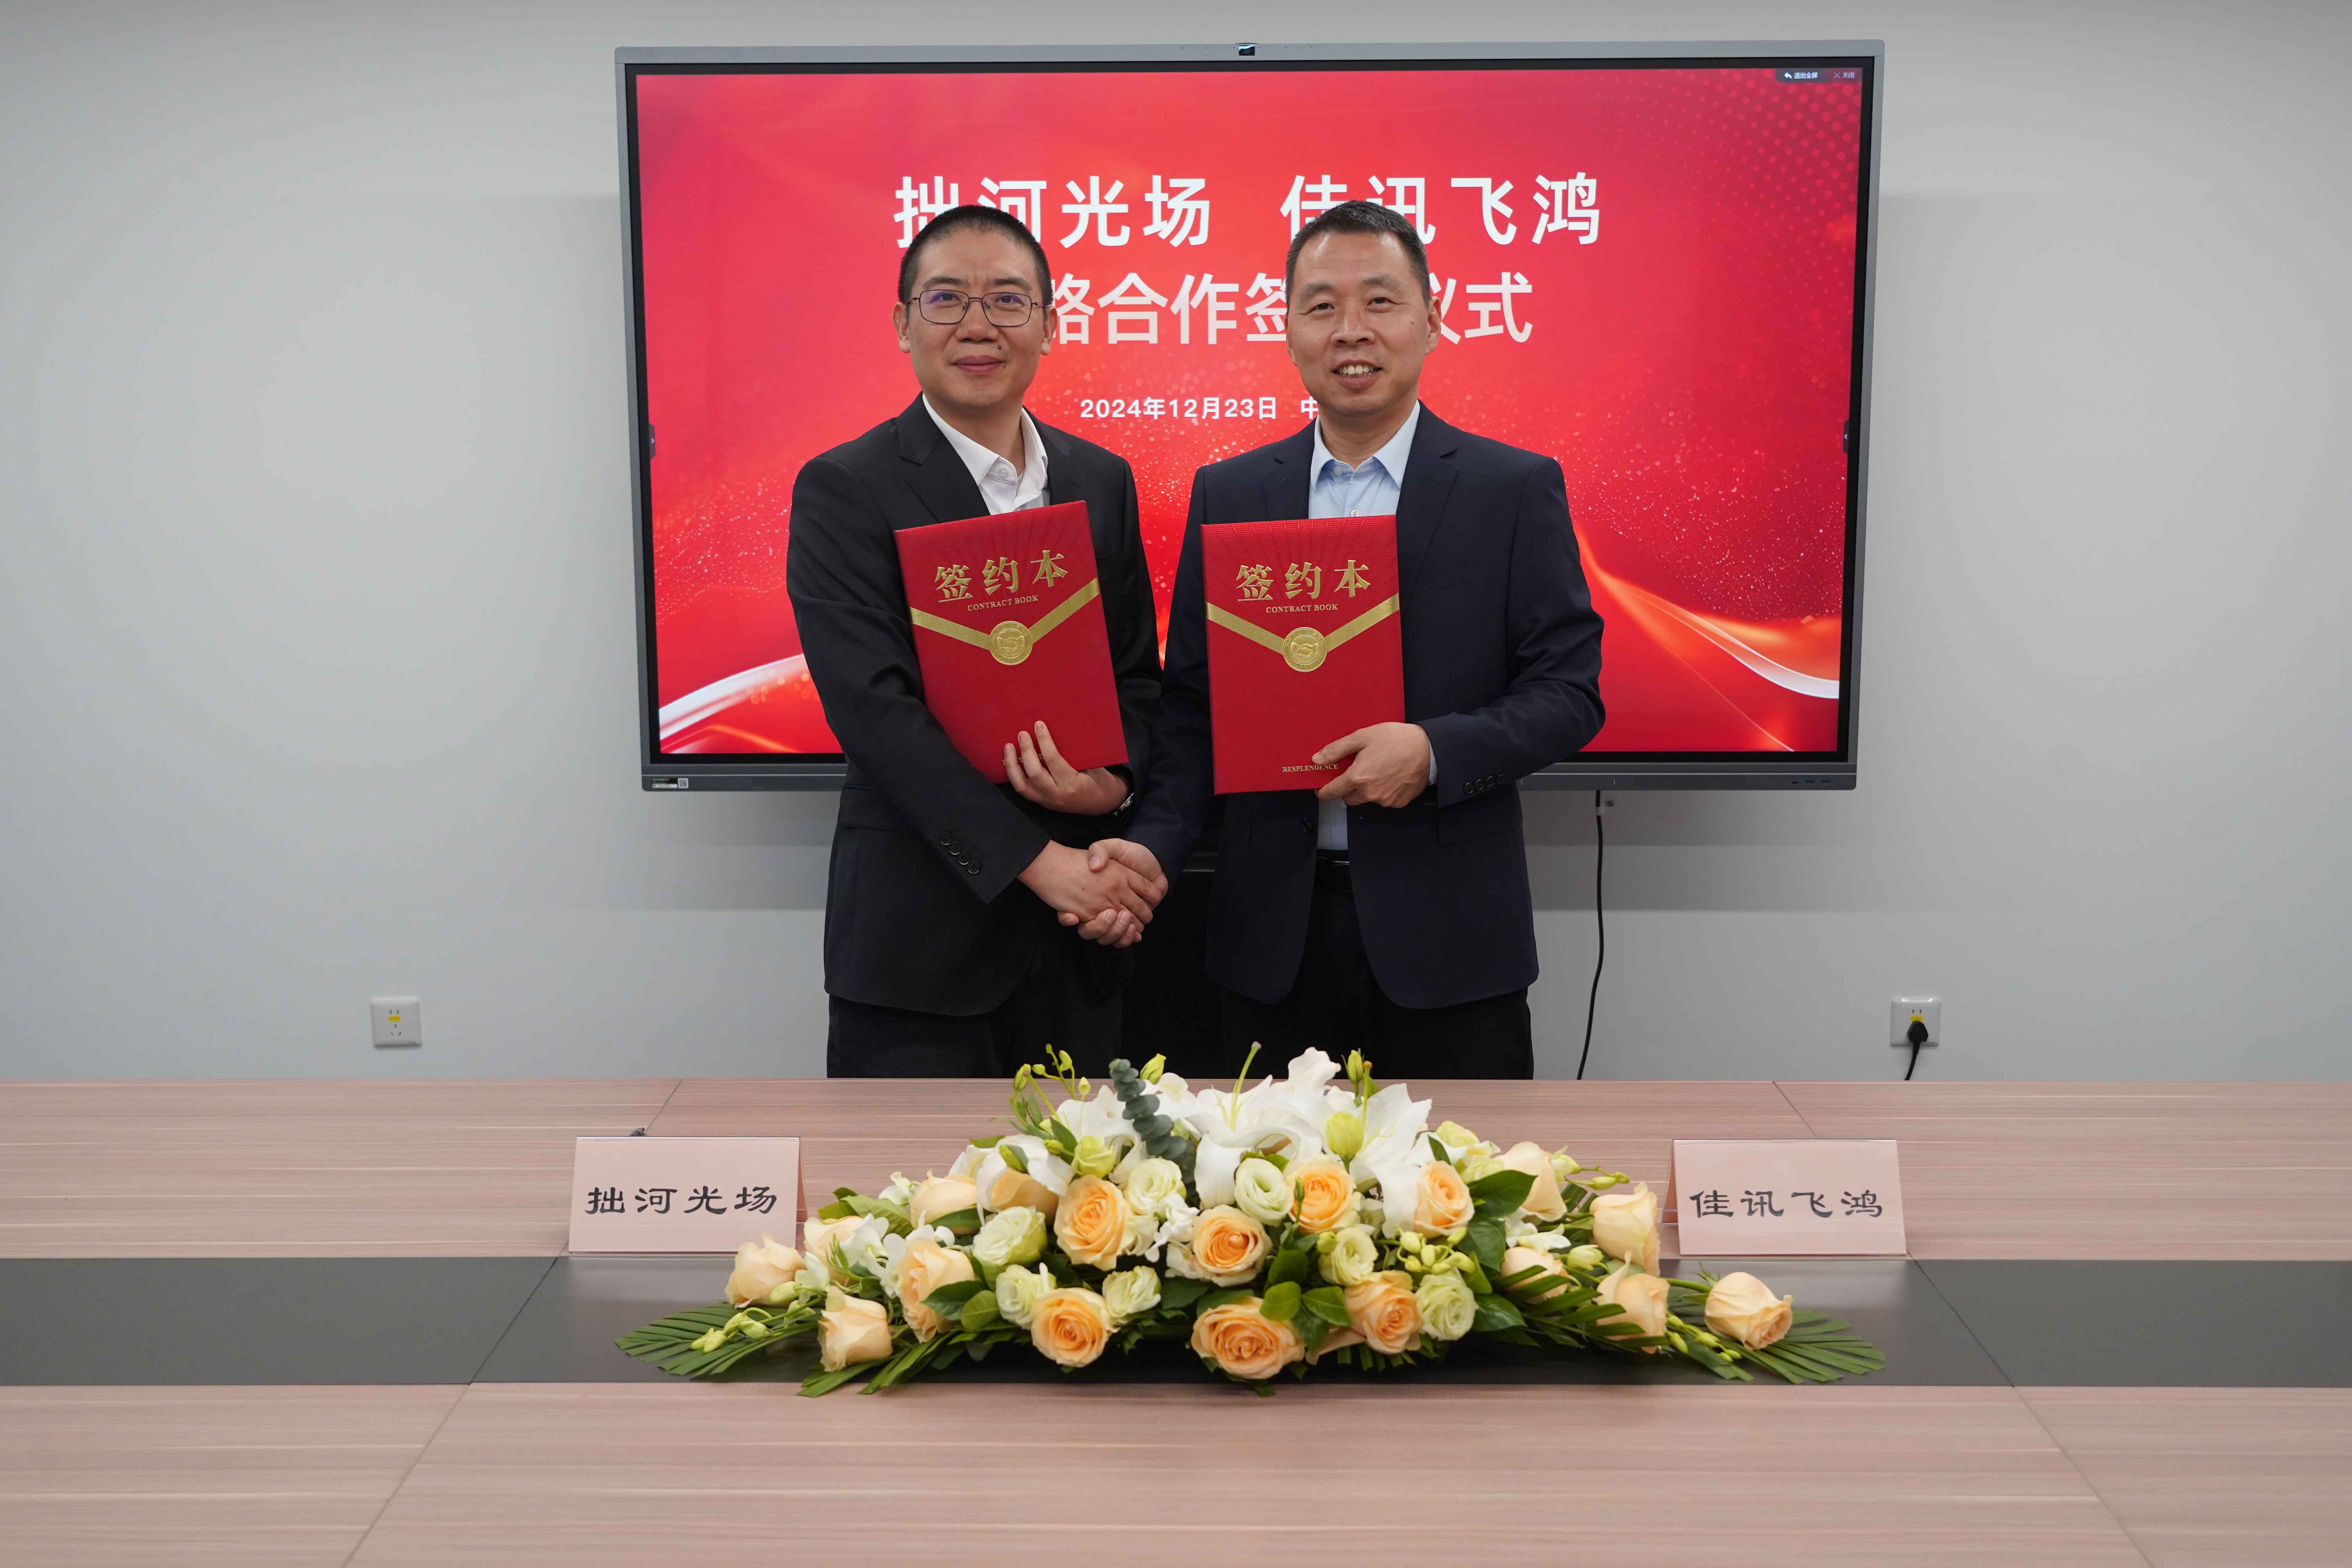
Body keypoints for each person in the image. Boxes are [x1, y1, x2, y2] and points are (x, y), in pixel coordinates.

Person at [1078, 200, 1604, 1080]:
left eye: (1381, 302)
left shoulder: (1512, 489)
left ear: (1433, 318)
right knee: (1266, 1171)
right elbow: (1194, 710)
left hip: (1452, 943)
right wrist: (1153, 847)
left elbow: (1569, 694)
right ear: (1288, 331)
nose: (1351, 330)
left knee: (1457, 1172)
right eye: (1321, 306)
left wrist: (1433, 751)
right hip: (1271, 938)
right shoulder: (1232, 492)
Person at [786, 205, 1165, 1078]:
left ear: (1050, 324)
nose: (978, 325)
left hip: (1081, 942)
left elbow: (1137, 680)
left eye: (1007, 300)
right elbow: (876, 716)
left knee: (1086, 1168)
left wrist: (1110, 785)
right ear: (903, 323)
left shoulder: (1100, 479)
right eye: (947, 298)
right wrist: (1040, 863)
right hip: (922, 949)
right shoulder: (847, 486)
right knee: (907, 1172)